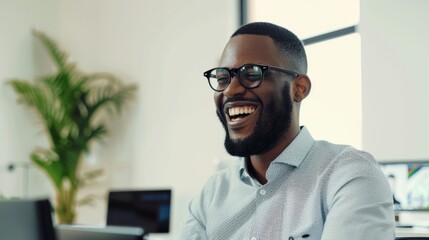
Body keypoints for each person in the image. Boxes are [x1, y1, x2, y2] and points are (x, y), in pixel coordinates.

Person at [177, 22, 395, 240]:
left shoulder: (350, 176)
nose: (231, 90)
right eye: (223, 78)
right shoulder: (211, 195)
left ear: (298, 88)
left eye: (252, 73)